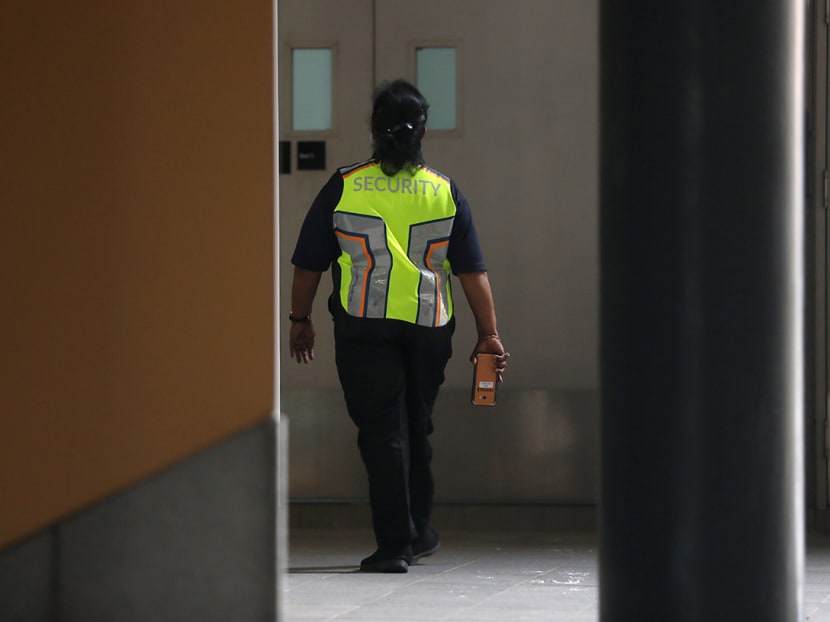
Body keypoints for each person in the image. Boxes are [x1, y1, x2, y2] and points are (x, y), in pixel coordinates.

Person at [288, 79, 509, 573]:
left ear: (372, 127)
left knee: (381, 431)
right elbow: (472, 272)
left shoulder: (344, 185)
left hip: (364, 325)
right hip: (431, 325)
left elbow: (308, 264)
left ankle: (395, 545)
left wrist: (299, 319)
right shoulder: (444, 190)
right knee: (417, 424)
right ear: (424, 128)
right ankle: (418, 530)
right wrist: (488, 333)